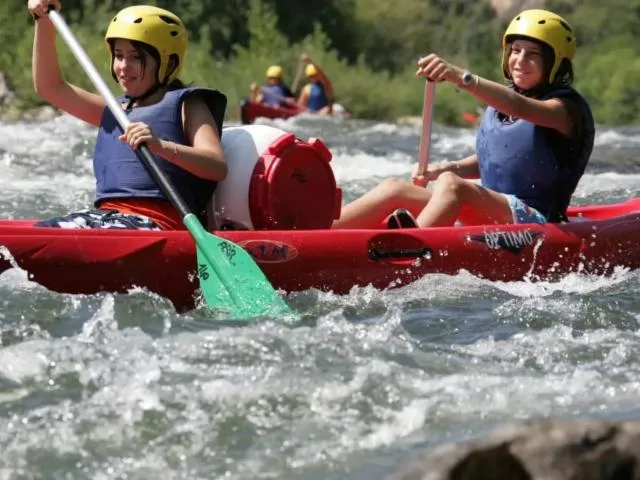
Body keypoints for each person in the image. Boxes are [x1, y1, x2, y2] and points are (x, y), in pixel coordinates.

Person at [332, 9, 594, 230]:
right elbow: (499, 161)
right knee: (394, 188)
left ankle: (404, 252)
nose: (520, 60)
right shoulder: (504, 104)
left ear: (556, 63)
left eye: (533, 54)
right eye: (515, 50)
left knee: (452, 186)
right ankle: (316, 234)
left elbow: (520, 106)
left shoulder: (565, 110)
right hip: (492, 211)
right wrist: (446, 168)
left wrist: (460, 77)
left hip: (537, 223)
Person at [27, 1, 228, 231]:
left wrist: (161, 146)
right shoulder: (114, 110)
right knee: (40, 233)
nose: (123, 66)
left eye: (135, 57)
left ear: (168, 62)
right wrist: (43, 21)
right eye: (119, 55)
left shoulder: (188, 106)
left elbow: (216, 166)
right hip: (105, 218)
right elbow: (50, 88)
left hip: (159, 223)